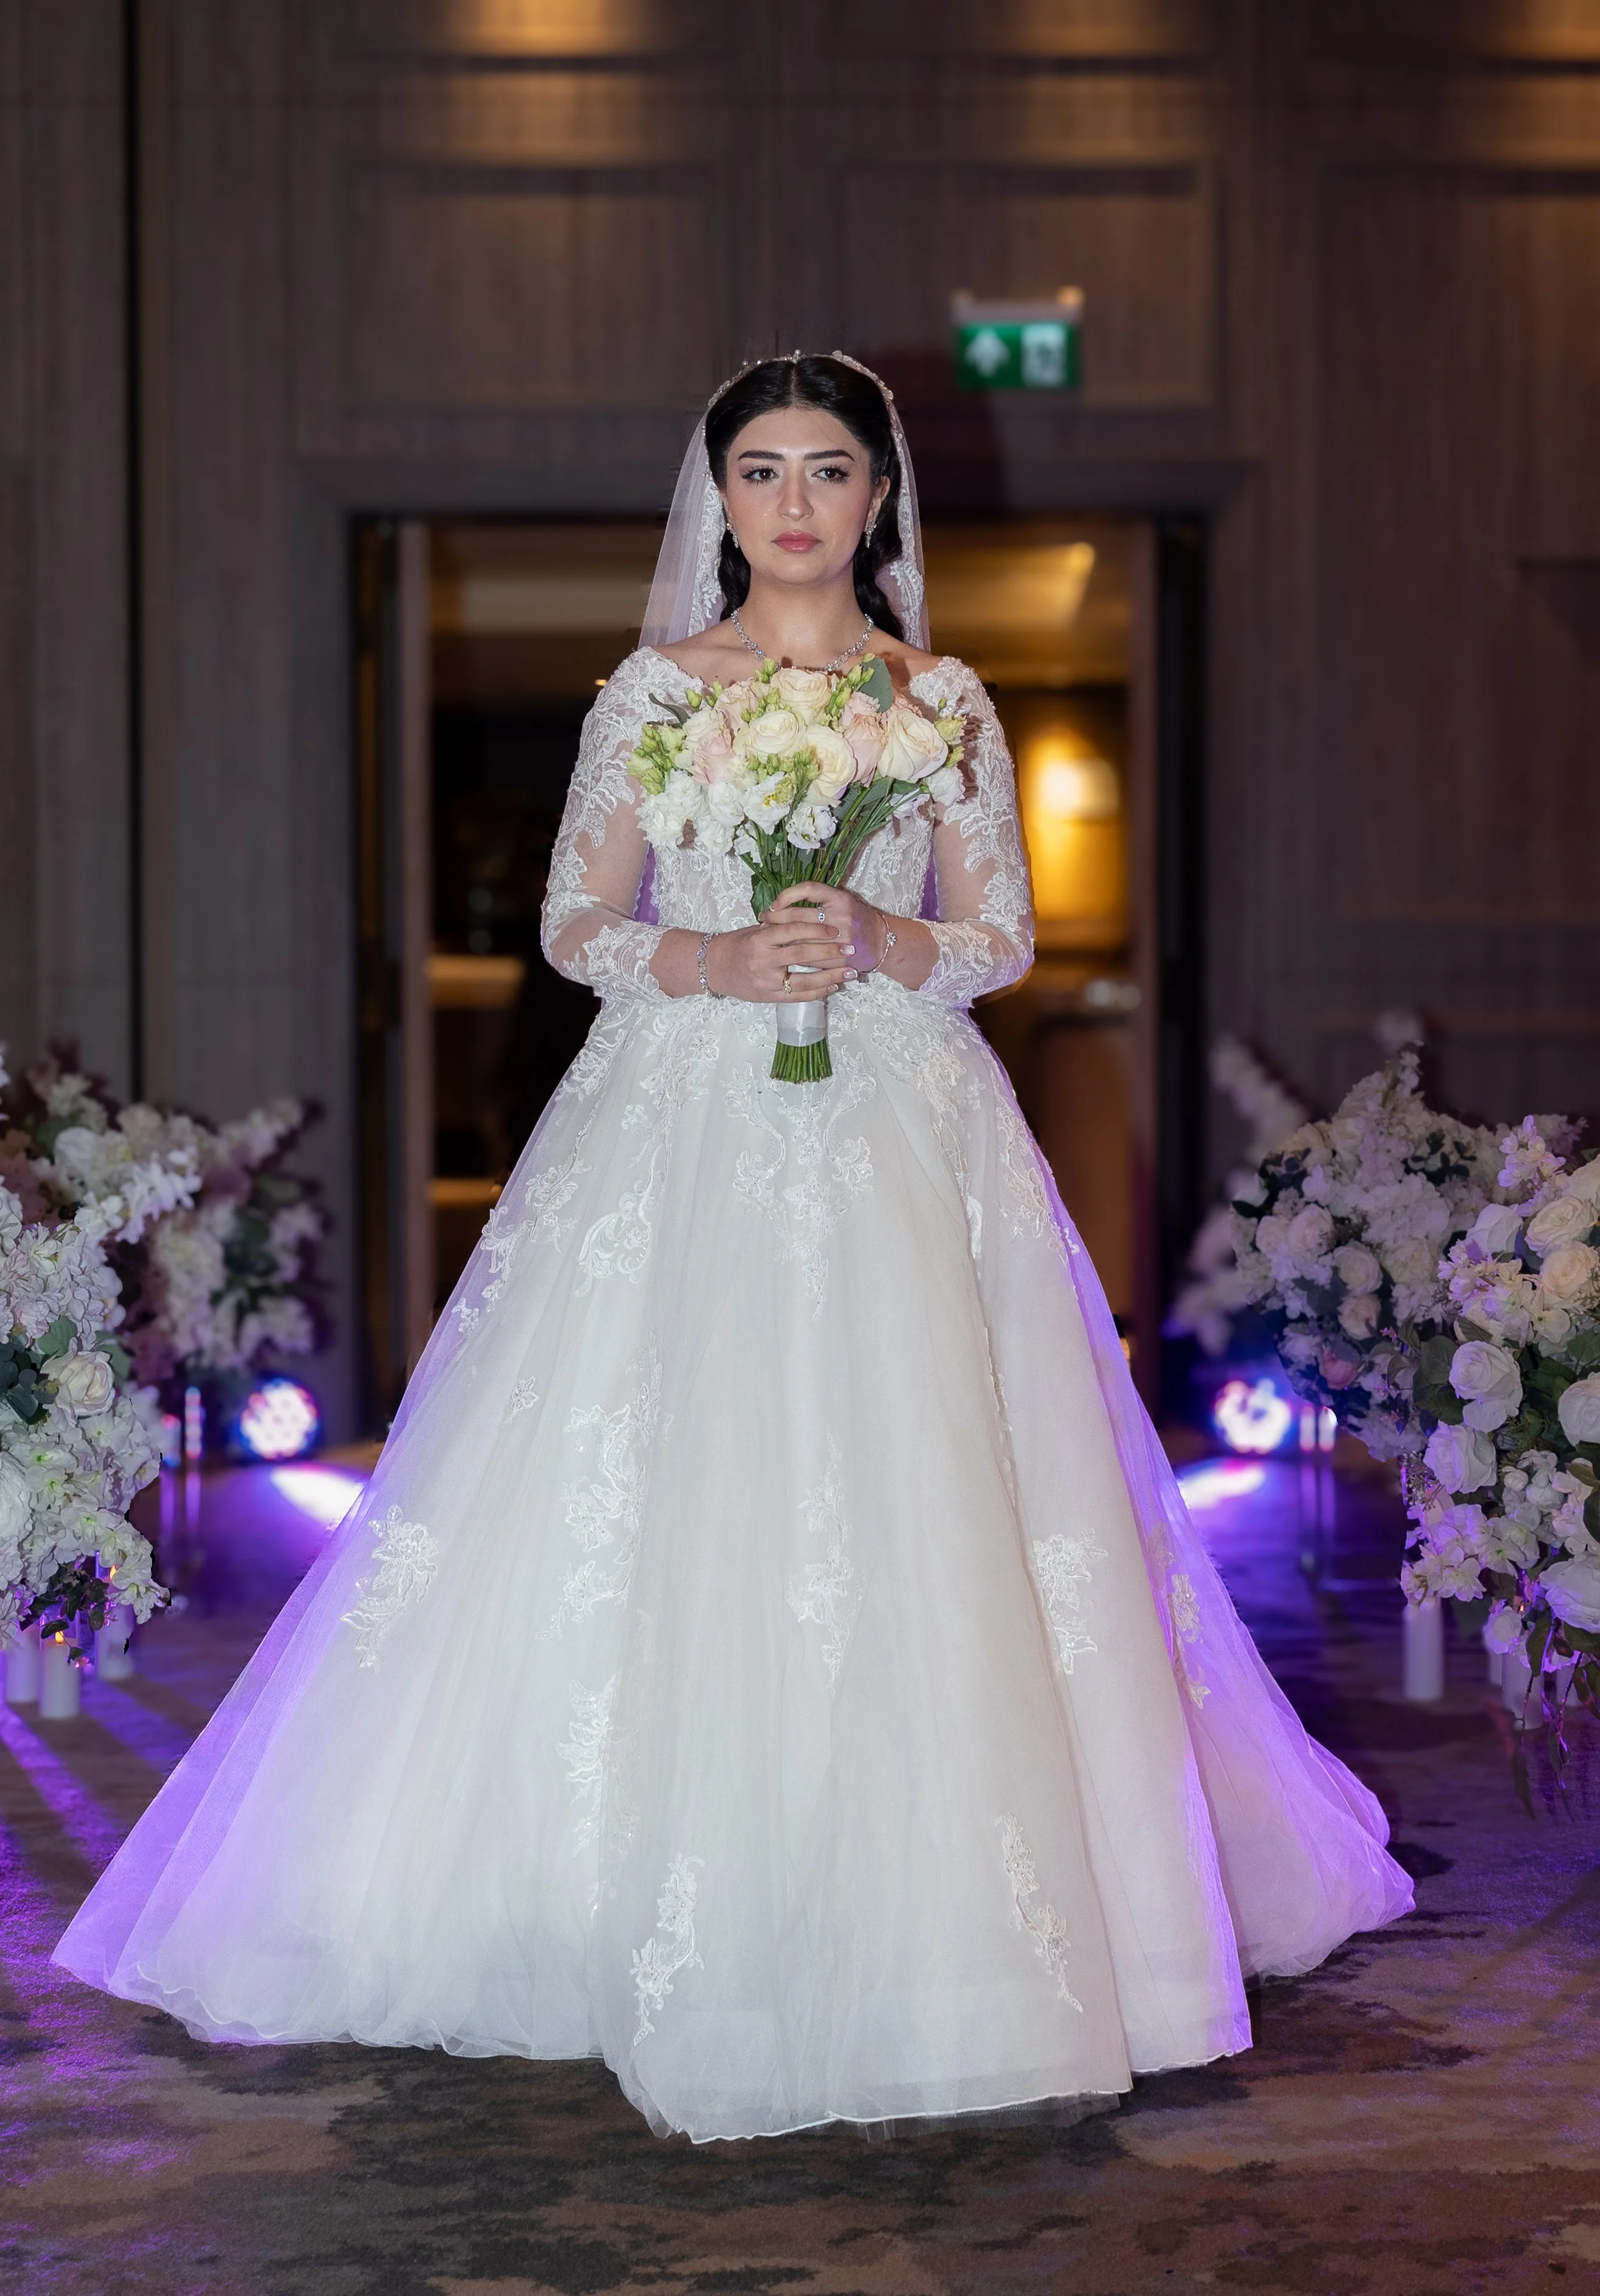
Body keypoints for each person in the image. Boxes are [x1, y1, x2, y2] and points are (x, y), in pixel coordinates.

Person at [54, 353, 1411, 2144]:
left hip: (903, 1127)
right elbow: (570, 917)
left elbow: (1000, 930)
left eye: (827, 470)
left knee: (929, 1489)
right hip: (684, 1115)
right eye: (760, 469)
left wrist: (876, 933)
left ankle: (982, 1924)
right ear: (719, 497)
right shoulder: (652, 693)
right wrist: (703, 961)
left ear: (878, 499)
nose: (792, 503)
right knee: (654, 1477)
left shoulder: (940, 698)